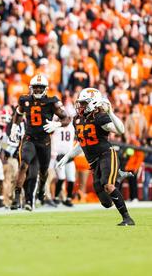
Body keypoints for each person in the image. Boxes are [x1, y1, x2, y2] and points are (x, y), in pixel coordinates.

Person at [56, 88, 135, 226]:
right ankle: (117, 178)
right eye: (80, 103)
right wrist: (68, 156)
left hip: (106, 155)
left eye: (84, 103)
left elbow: (121, 130)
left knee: (108, 185)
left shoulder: (100, 117)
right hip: (93, 162)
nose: (80, 106)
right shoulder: (78, 119)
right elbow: (81, 143)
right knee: (106, 202)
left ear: (93, 103)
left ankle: (127, 218)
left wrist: (111, 112)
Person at [9, 74, 70, 211]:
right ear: (31, 88)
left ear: (45, 89)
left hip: (44, 141)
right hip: (29, 138)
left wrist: (57, 124)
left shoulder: (52, 102)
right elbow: (18, 113)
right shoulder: (25, 100)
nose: (37, 91)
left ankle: (42, 187)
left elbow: (67, 119)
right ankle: (17, 196)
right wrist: (14, 127)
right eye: (35, 88)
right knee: (24, 165)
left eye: (40, 88)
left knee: (42, 171)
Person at [51, 120, 76, 207]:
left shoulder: (72, 126)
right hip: (59, 155)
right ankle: (56, 197)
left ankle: (68, 198)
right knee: (61, 177)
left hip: (69, 155)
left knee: (71, 178)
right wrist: (54, 153)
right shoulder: (56, 126)